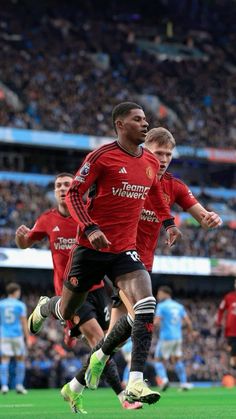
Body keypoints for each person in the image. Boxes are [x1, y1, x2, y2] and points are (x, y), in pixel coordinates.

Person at [28, 102, 182, 409]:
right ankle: (47, 308)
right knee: (66, 307)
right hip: (90, 249)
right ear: (120, 125)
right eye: (138, 119)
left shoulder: (149, 161)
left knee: (146, 303)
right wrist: (90, 226)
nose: (145, 124)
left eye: (146, 119)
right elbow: (74, 192)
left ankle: (136, 380)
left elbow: (155, 193)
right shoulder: (102, 156)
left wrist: (168, 223)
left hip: (125, 250)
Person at [84, 126, 222, 391]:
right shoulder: (127, 176)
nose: (164, 159)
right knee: (142, 314)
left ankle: (83, 376)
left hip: (143, 267)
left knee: (115, 338)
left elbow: (202, 217)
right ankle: (136, 382)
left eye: (168, 154)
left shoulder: (174, 186)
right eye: (158, 152)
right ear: (144, 149)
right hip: (118, 261)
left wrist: (211, 218)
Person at [15, 173, 139, 411]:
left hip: (98, 289)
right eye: (58, 185)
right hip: (72, 292)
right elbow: (25, 243)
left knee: (109, 346)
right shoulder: (47, 220)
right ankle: (123, 396)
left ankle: (74, 387)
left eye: (67, 184)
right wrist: (21, 239)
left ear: (77, 189)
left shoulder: (90, 216)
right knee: (99, 341)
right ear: (54, 192)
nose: (62, 188)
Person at [153, 286, 194, 391]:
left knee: (158, 360)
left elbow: (157, 321)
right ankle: (184, 383)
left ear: (165, 294)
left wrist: (148, 327)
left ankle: (164, 380)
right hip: (177, 337)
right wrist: (191, 333)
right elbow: (188, 322)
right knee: (176, 360)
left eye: (159, 293)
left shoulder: (162, 306)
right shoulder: (179, 306)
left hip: (166, 337)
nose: (158, 296)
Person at [0, 282, 29, 394]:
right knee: (20, 359)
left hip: (4, 335)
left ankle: (4, 386)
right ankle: (19, 386)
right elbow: (23, 322)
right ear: (16, 292)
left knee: (4, 360)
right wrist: (27, 338)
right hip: (17, 336)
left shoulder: (1, 304)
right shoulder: (20, 305)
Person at [216, 278, 236, 370]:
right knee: (233, 356)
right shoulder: (228, 297)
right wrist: (218, 323)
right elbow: (220, 310)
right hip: (232, 331)